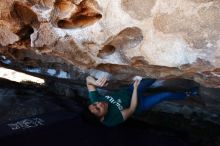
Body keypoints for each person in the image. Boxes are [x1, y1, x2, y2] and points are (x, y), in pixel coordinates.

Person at [86, 76, 198, 127]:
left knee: (152, 78)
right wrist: (135, 88)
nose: (99, 104)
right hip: (140, 104)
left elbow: (88, 80)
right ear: (102, 118)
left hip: (128, 92)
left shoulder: (95, 101)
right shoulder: (111, 121)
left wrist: (96, 83)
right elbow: (132, 109)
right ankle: (187, 94)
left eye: (95, 104)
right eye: (99, 109)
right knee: (165, 95)